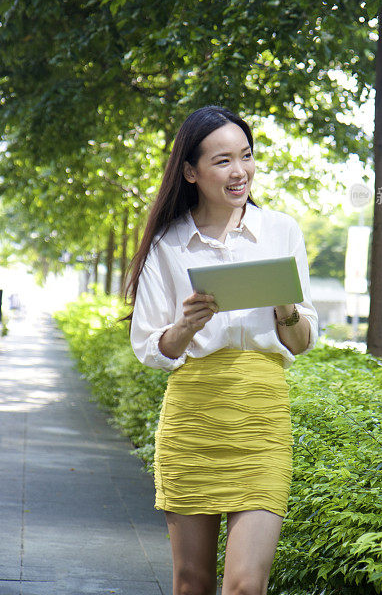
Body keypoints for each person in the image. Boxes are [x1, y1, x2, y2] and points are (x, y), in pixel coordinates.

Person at [126, 105, 318, 595]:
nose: (240, 172)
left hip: (261, 415)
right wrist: (185, 326)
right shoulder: (167, 245)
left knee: (245, 585)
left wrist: (286, 309)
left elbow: (302, 341)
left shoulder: (281, 231)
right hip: (193, 415)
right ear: (190, 172)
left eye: (246, 157)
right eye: (223, 161)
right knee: (192, 582)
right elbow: (152, 347)